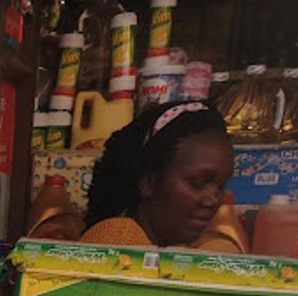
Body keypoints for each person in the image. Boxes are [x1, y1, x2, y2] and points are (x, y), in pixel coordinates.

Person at [82, 100, 235, 248]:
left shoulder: (165, 246)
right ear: (148, 182)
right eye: (197, 183)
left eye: (221, 185)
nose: (212, 200)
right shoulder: (119, 240)